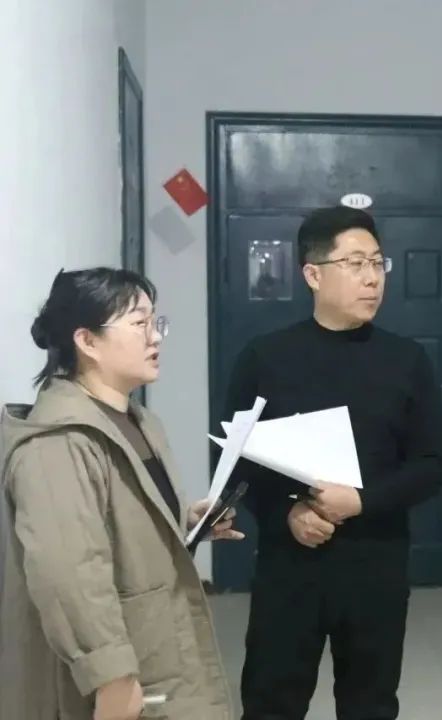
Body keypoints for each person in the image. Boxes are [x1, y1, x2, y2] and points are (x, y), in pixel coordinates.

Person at [229, 206, 442, 720]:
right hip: (290, 564)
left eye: (377, 262)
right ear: (313, 274)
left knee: (370, 705)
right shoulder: (265, 358)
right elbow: (235, 461)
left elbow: (432, 463)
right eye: (354, 263)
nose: (372, 278)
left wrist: (361, 502)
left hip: (376, 564)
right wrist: (286, 512)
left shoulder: (406, 360)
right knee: (270, 704)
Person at [0, 268, 241, 720]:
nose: (156, 337)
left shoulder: (139, 421)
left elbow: (117, 520)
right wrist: (110, 676)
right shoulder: (58, 443)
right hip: (122, 671)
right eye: (139, 324)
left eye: (156, 322)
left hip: (162, 650)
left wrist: (181, 522)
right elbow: (68, 572)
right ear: (87, 341)